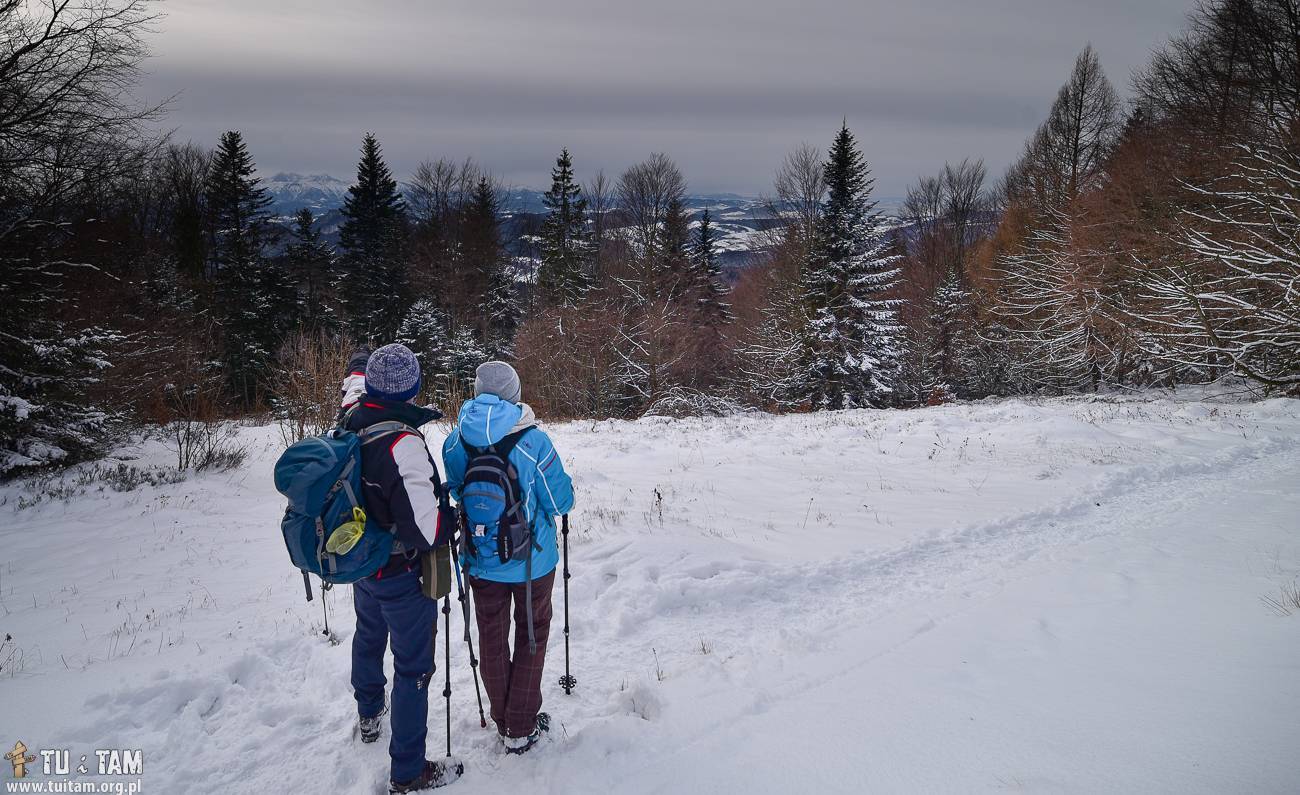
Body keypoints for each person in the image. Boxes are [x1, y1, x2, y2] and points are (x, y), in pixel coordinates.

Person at [341, 344, 462, 793]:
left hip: (363, 564)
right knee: (413, 668)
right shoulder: (402, 444)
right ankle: (408, 771)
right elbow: (425, 531)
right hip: (399, 573)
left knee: (369, 635)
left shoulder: (352, 421)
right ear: (412, 389)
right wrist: (450, 517)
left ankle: (370, 712)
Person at [442, 361, 575, 754]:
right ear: (515, 395)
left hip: (481, 558)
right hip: (533, 560)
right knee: (532, 633)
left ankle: (505, 720)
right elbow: (560, 502)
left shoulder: (456, 442)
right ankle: (519, 725)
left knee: (492, 637)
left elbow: (457, 491)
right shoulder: (535, 442)